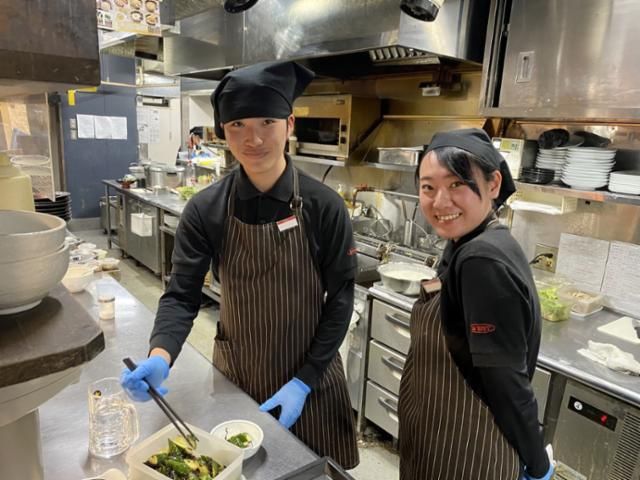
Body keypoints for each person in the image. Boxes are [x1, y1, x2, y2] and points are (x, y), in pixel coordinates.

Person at [120, 61, 359, 468]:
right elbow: (181, 295)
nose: (254, 138)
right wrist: (160, 355)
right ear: (221, 132)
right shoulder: (206, 209)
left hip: (312, 381)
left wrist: (304, 380)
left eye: (267, 121)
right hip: (239, 378)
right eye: (238, 125)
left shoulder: (324, 206)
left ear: (289, 124)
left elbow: (340, 299)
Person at [398, 129, 554, 480]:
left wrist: (537, 464)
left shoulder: (481, 260)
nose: (440, 202)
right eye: (428, 187)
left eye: (456, 184)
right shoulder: (471, 240)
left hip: (466, 454)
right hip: (438, 439)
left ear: (493, 183)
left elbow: (507, 380)